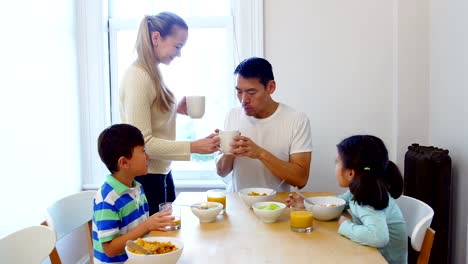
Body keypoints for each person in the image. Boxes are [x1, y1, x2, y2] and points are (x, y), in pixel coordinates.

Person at [119, 12, 219, 215]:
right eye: (178, 46)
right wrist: (194, 147)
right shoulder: (139, 77)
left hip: (160, 173)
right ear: (156, 38)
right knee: (156, 243)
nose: (179, 53)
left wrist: (173, 109)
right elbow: (144, 143)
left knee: (168, 238)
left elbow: (150, 116)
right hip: (147, 179)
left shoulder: (151, 73)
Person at [287, 135, 407, 264]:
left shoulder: (368, 197)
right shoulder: (359, 189)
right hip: (368, 254)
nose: (335, 166)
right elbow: (338, 204)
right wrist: (306, 204)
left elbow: (378, 237)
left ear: (350, 173)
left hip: (383, 260)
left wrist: (345, 225)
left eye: (337, 162)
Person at [215, 57, 313, 192]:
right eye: (239, 91)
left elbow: (300, 180)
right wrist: (228, 150)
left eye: (251, 92)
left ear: (271, 87)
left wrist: (260, 153)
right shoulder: (232, 115)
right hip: (237, 203)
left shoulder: (297, 119)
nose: (244, 100)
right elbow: (221, 172)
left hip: (275, 207)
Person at [93, 124, 176, 264]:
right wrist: (147, 226)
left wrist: (153, 225)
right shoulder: (107, 199)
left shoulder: (137, 187)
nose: (148, 157)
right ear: (124, 162)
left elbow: (140, 233)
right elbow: (110, 249)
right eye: (143, 151)